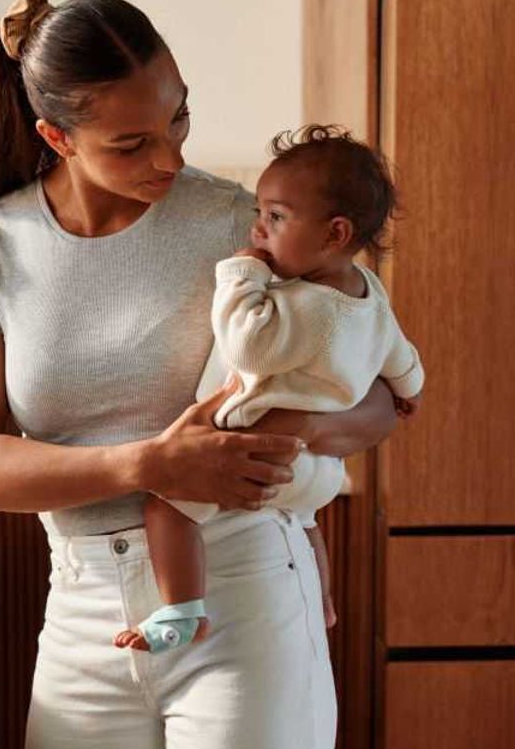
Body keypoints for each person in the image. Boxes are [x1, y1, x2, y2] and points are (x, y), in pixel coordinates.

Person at [0, 0, 400, 749]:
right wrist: (154, 462)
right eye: (131, 143)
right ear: (58, 136)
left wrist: (297, 431)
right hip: (83, 613)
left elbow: (383, 395)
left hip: (244, 588)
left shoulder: (244, 225)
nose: (171, 159)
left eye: (179, 118)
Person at [113, 124, 424, 654]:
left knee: (167, 508)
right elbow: (402, 356)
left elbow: (247, 346)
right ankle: (321, 601)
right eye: (260, 214)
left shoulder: (307, 308)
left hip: (252, 450)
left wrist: (240, 274)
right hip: (313, 469)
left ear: (335, 235)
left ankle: (182, 612)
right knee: (302, 524)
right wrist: (407, 390)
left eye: (276, 218)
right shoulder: (368, 293)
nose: (259, 231)